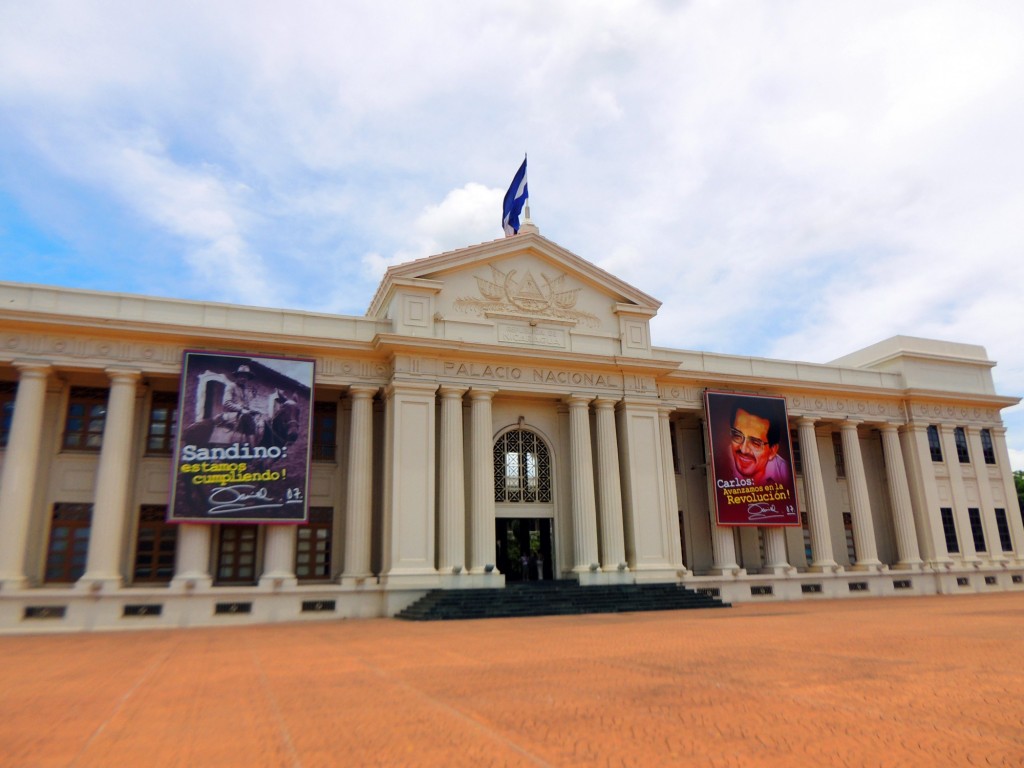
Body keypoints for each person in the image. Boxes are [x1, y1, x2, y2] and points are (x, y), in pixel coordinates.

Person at [726, 402, 790, 485]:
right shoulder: (722, 461)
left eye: (755, 443)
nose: (743, 450)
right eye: (737, 436)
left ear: (772, 451)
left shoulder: (786, 473)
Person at [221, 364, 262, 438]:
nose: (243, 379)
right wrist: (241, 409)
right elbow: (226, 403)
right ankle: (250, 446)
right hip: (231, 414)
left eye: (246, 377)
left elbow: (246, 405)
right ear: (237, 377)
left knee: (260, 421)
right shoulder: (231, 386)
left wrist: (252, 410)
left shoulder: (246, 390)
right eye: (241, 376)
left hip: (243, 415)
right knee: (248, 420)